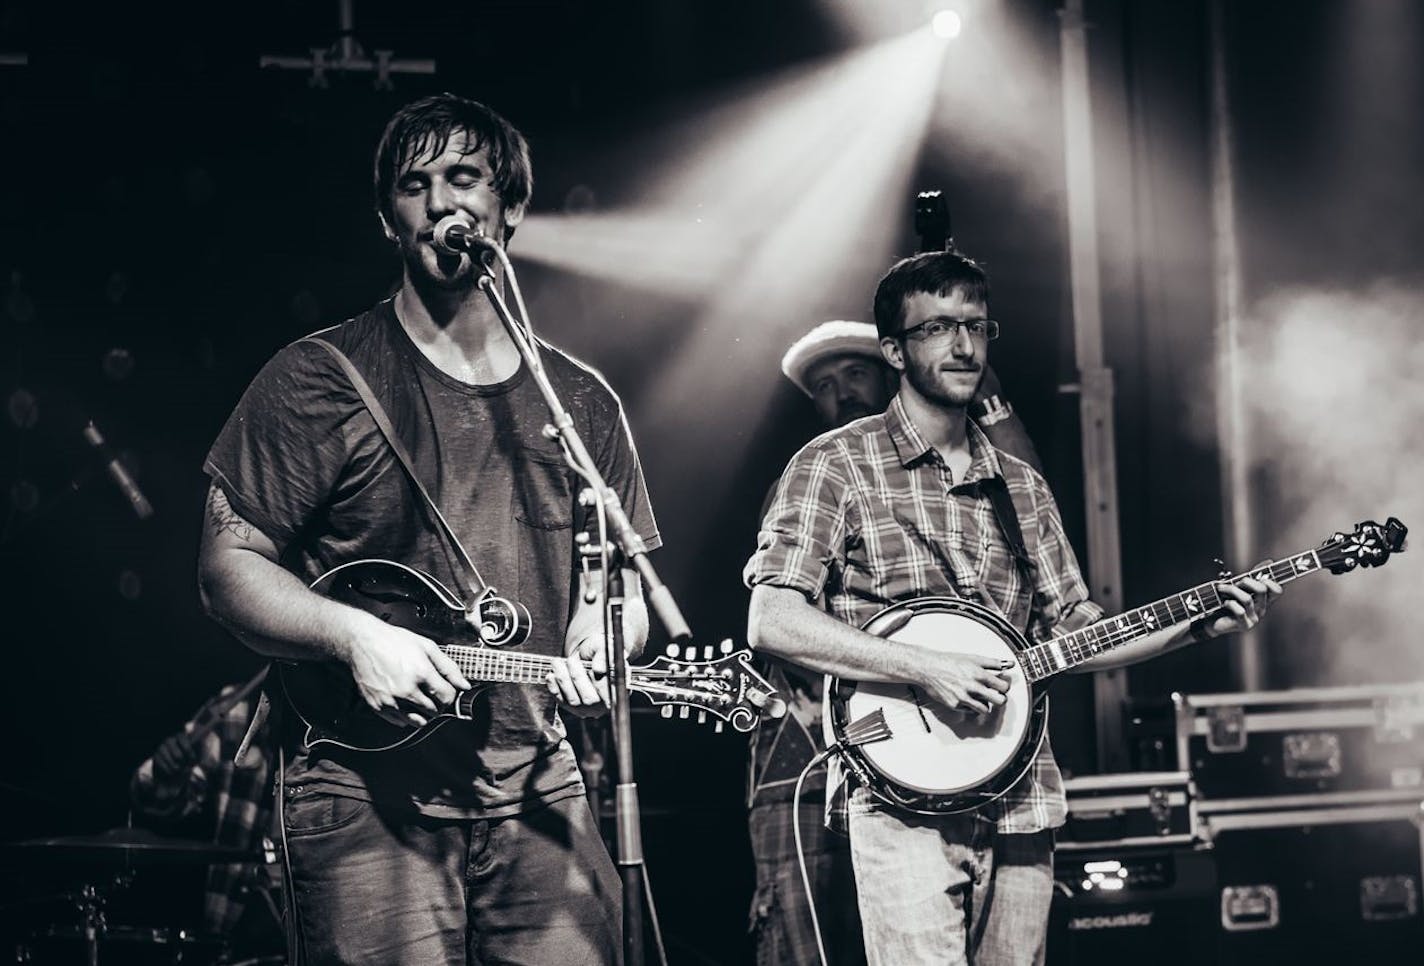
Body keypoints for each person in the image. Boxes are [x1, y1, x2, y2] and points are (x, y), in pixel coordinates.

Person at [197, 93, 659, 965]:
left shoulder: (581, 402)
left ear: (510, 208)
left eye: (465, 178)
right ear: (389, 217)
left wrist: (607, 636)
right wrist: (352, 635)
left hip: (539, 788)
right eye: (415, 186)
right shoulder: (319, 378)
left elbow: (619, 584)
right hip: (364, 796)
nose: (442, 202)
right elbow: (227, 567)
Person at [743, 250, 1281, 965]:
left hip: (1022, 798)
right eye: (937, 328)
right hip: (903, 800)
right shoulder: (834, 464)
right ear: (896, 351)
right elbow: (772, 618)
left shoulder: (1021, 487)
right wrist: (924, 667)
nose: (963, 346)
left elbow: (1076, 632)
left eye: (975, 326)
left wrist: (1195, 624)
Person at [748, 318, 1043, 965]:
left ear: (891, 371)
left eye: (854, 374)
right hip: (807, 746)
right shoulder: (812, 476)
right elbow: (778, 620)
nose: (841, 393)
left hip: (938, 747)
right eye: (823, 387)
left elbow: (1037, 537)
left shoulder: (966, 475)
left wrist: (987, 399)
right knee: (806, 937)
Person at [129, 669, 281, 954]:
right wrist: (167, 775)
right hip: (236, 924)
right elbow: (151, 796)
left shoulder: (352, 712)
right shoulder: (236, 708)